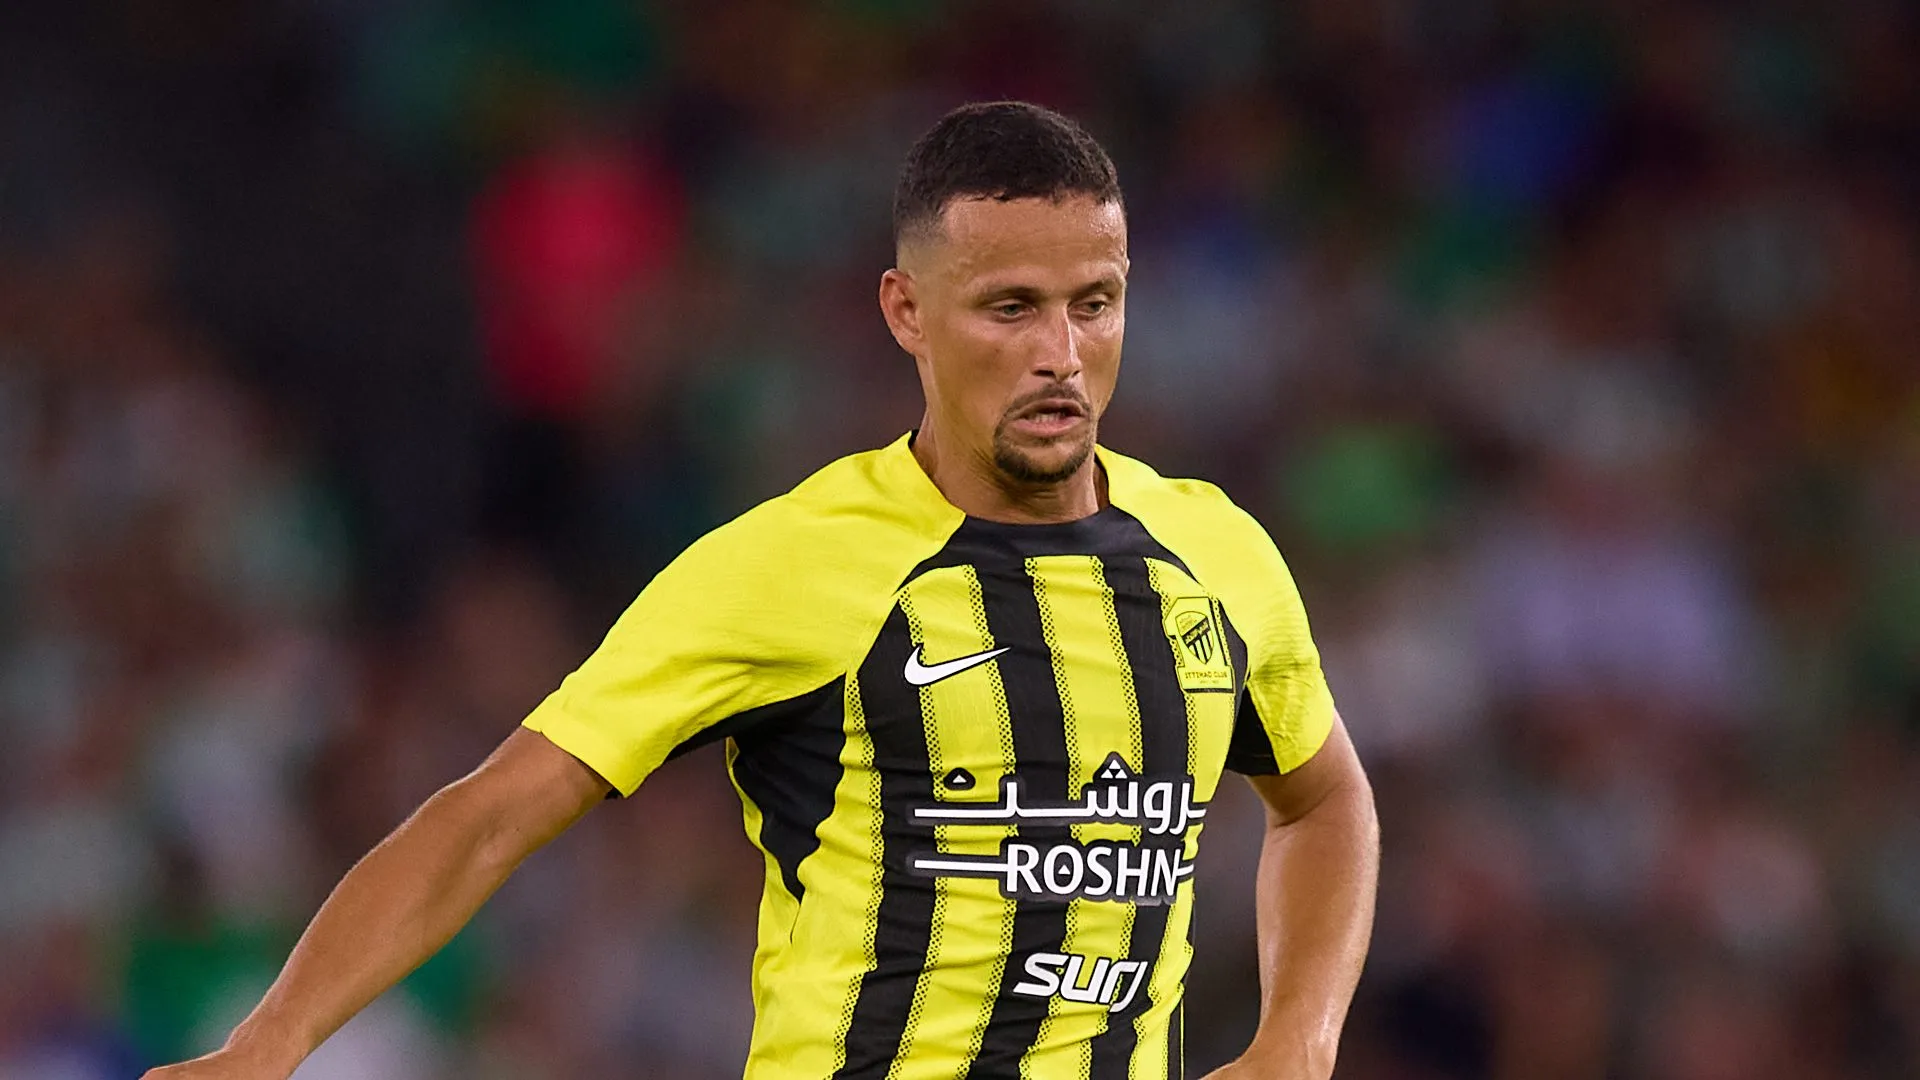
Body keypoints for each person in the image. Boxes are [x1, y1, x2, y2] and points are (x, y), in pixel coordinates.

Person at [145, 101, 1379, 1080]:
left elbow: (1325, 804)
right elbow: (489, 815)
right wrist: (267, 1047)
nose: (1061, 352)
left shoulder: (1217, 557)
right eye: (1011, 308)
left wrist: (1298, 1039)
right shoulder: (790, 563)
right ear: (908, 311)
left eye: (1093, 304)